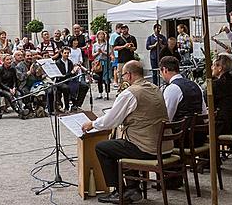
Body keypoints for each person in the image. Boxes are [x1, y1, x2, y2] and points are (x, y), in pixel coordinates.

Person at [81, 61, 170, 204]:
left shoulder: (130, 93)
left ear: (128, 75)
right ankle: (132, 188)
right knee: (124, 144)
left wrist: (92, 124)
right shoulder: (155, 87)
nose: (122, 78)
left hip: (149, 149)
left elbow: (110, 121)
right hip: (166, 146)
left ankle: (119, 191)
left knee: (103, 147)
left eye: (122, 75)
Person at [159, 56, 206, 122]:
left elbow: (167, 117)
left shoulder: (172, 89)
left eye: (160, 72)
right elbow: (204, 114)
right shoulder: (196, 85)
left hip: (180, 131)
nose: (160, 75)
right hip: (200, 130)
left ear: (165, 70)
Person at [211, 53, 232, 136]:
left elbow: (209, 103)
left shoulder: (217, 84)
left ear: (220, 68)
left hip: (223, 125)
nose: (211, 68)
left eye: (213, 65)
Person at [91, 30, 111, 100]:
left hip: (105, 62)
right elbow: (93, 55)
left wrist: (102, 52)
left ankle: (107, 93)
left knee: (106, 78)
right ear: (97, 36)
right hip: (98, 63)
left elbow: (109, 54)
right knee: (99, 78)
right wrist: (98, 53)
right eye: (100, 35)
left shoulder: (107, 44)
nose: (101, 36)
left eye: (102, 34)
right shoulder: (95, 45)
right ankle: (100, 93)